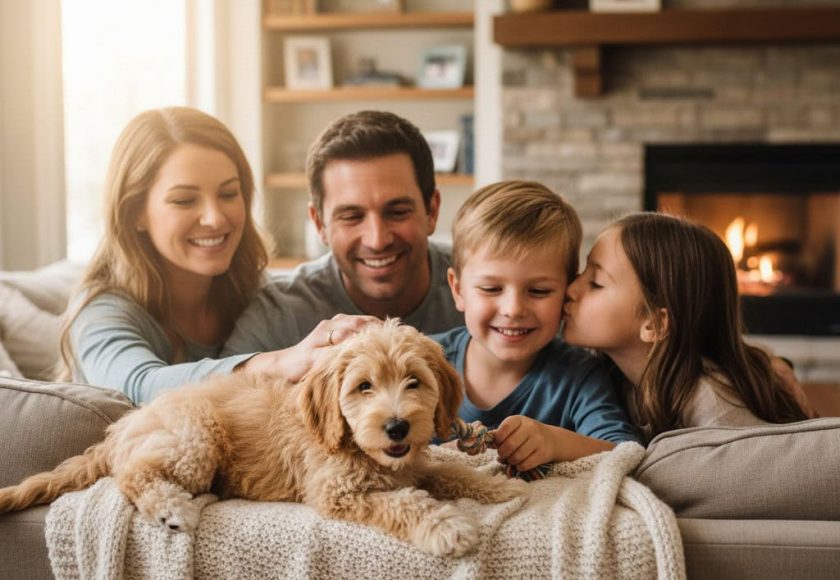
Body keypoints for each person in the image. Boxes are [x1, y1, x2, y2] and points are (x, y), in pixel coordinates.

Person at [60, 107, 372, 404]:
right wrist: (275, 363)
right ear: (134, 213)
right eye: (184, 200)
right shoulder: (99, 311)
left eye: (228, 194)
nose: (215, 218)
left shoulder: (254, 293)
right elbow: (135, 387)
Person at [433, 181, 640, 474]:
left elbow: (625, 453)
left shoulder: (580, 374)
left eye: (539, 291)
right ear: (458, 290)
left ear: (567, 290)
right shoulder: (425, 361)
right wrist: (437, 459)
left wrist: (555, 443)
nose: (513, 309)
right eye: (491, 288)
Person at [222, 110, 463, 356]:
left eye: (397, 212)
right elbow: (210, 389)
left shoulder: (486, 285)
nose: (377, 240)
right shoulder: (279, 313)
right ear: (319, 223)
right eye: (351, 217)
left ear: (431, 211)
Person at [562, 212, 810, 440]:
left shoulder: (713, 406)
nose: (570, 289)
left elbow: (761, 479)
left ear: (655, 323)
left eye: (596, 283)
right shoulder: (609, 375)